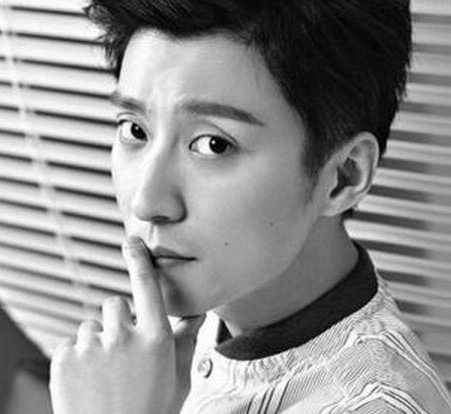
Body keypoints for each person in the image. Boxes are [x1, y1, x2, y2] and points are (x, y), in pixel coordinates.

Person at [49, 0, 451, 413]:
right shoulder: (193, 326)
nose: (147, 202)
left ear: (343, 176)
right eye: (135, 130)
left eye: (214, 144)